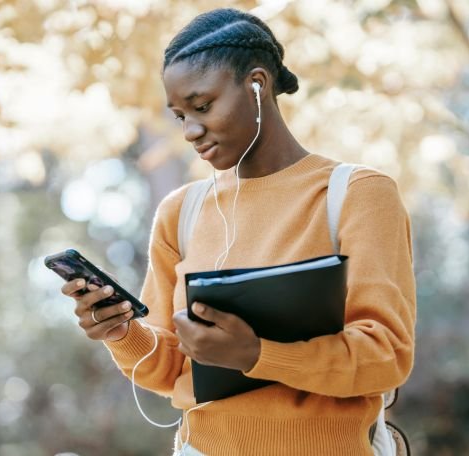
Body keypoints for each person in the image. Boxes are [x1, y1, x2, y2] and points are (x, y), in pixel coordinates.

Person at [59, 8, 416, 455]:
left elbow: (386, 356)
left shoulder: (357, 194)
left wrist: (255, 354)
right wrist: (120, 332)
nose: (190, 130)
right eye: (179, 115)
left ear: (257, 85)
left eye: (203, 106)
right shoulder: (181, 212)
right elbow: (168, 369)